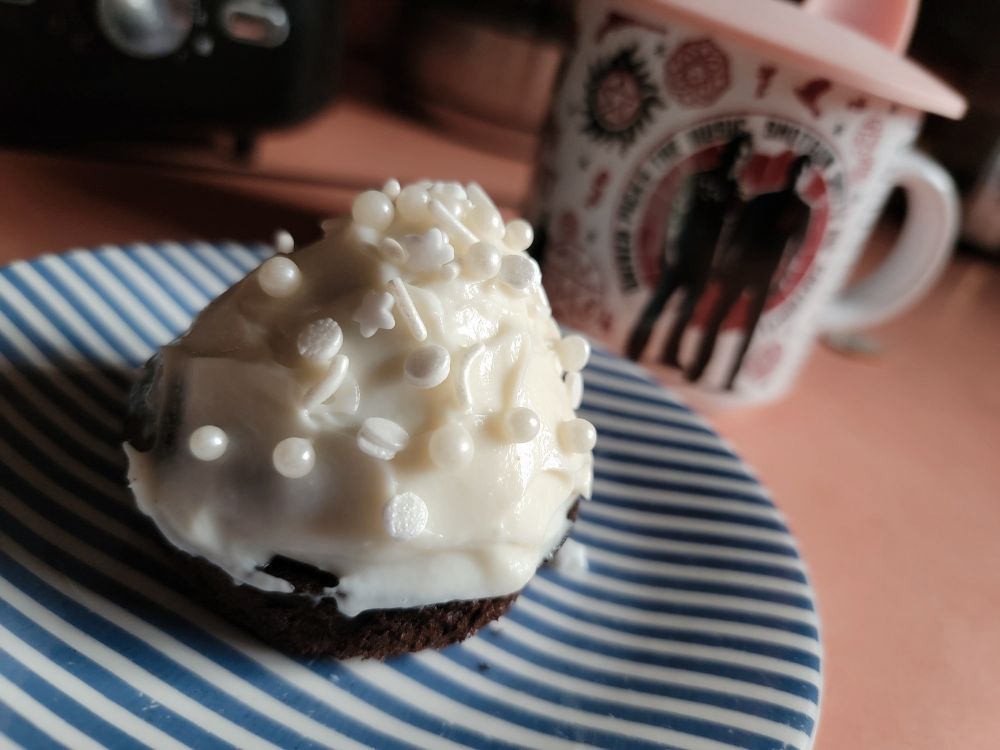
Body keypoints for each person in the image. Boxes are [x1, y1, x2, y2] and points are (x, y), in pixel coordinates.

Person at [687, 154, 813, 389]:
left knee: (748, 332)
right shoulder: (762, 200)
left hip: (766, 275)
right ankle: (699, 368)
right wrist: (723, 263)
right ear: (790, 173)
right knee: (716, 319)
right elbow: (735, 233)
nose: (799, 178)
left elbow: (796, 250)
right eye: (797, 171)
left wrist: (780, 279)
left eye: (805, 173)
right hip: (740, 269)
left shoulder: (801, 210)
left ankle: (730, 380)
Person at [625, 132, 752, 364]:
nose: (737, 161)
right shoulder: (698, 178)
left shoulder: (737, 193)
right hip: (683, 251)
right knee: (658, 302)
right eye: (735, 154)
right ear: (726, 154)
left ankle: (669, 354)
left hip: (706, 262)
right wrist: (670, 248)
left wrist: (720, 264)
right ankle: (634, 348)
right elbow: (676, 214)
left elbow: (732, 235)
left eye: (743, 158)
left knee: (687, 313)